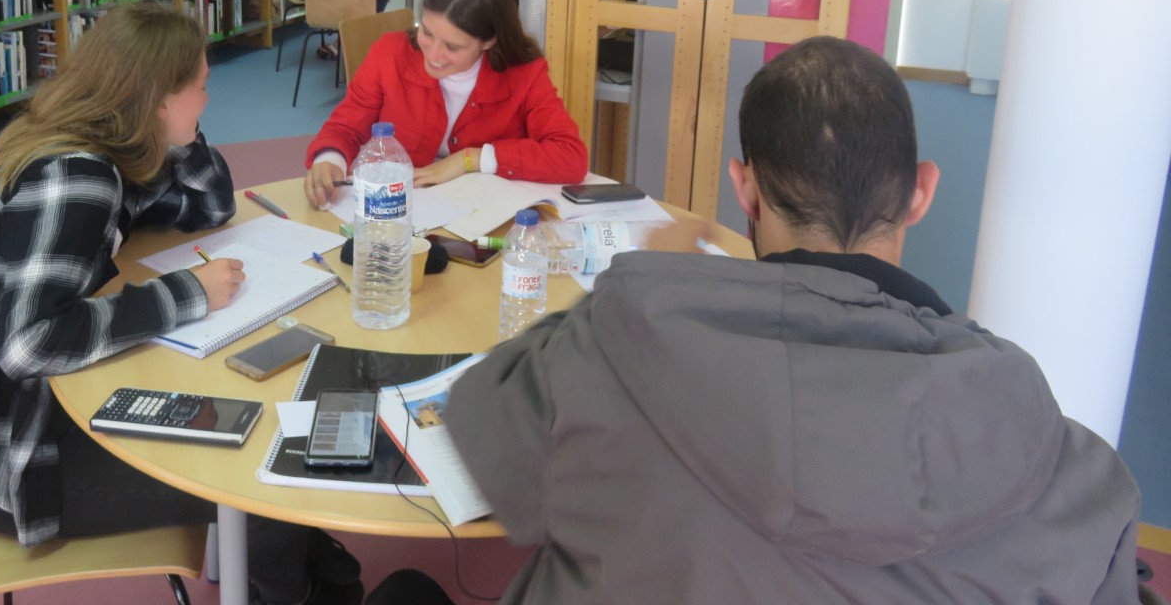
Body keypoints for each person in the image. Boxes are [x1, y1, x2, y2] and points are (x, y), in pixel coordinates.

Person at [444, 37, 1140, 604]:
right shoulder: (1069, 467)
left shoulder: (608, 348)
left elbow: (484, 428)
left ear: (744, 187)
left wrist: (637, 289)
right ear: (920, 193)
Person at [0, 1, 362, 605]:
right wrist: (186, 293)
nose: (209, 99)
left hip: (17, 410)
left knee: (246, 427)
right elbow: (28, 345)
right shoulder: (76, 177)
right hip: (5, 458)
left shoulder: (106, 144)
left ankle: (294, 559)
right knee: (259, 472)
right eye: (200, 88)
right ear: (156, 101)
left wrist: (182, 136)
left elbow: (211, 207)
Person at [303, 0, 587, 208]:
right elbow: (346, 127)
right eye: (427, 32)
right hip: (399, 212)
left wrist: (470, 159)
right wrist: (330, 159)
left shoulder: (525, 74)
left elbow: (570, 157)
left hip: (483, 214)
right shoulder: (390, 54)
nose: (434, 55)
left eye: (452, 46)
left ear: (489, 41)